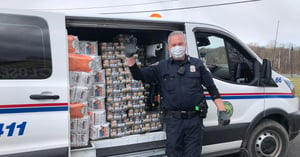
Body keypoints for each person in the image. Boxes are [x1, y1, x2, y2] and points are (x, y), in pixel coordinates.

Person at [125, 31, 230, 157]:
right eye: (173, 45)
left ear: (185, 45)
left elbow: (212, 88)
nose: (177, 47)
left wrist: (222, 110)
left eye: (180, 44)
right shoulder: (161, 66)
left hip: (194, 121)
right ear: (169, 47)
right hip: (173, 123)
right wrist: (130, 57)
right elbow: (138, 75)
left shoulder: (198, 64)